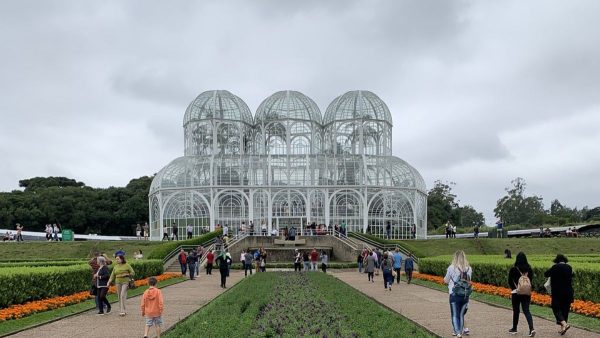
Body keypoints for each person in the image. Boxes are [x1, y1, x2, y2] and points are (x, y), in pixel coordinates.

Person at [444, 250, 472, 338]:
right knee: (461, 315)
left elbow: (446, 280)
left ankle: (457, 333)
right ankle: (459, 331)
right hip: (465, 295)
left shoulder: (451, 267)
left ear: (455, 257)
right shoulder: (469, 268)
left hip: (454, 294)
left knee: (455, 315)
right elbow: (469, 281)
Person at [544, 254, 574, 335]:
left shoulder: (555, 267)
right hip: (568, 292)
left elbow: (546, 274)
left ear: (557, 261)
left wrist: (552, 268)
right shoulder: (569, 267)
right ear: (565, 260)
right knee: (565, 310)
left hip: (557, 292)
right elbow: (572, 276)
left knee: (556, 308)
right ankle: (563, 328)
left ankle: (564, 324)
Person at [508, 252, 536, 337]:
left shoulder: (513, 269)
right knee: (526, 310)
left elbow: (509, 281)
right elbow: (531, 281)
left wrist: (515, 289)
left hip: (516, 293)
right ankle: (531, 328)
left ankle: (514, 328)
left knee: (516, 310)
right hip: (526, 293)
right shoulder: (529, 269)